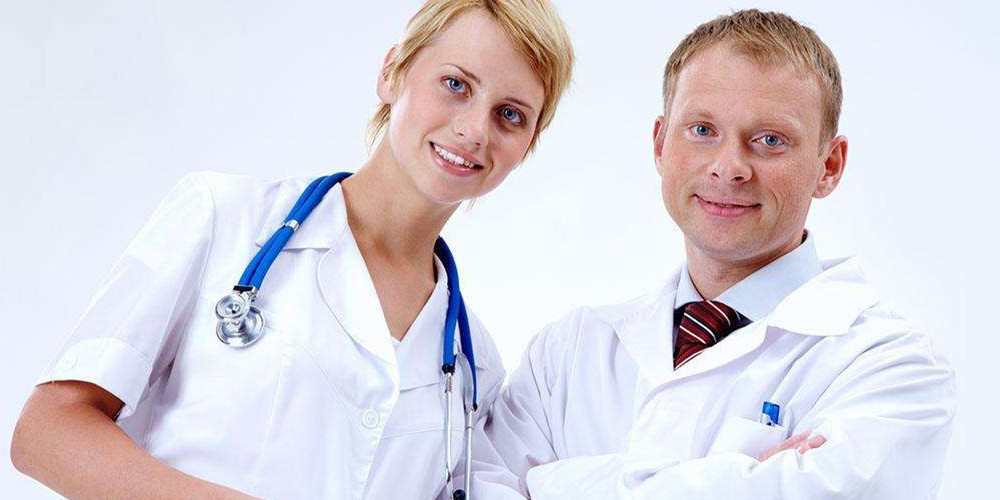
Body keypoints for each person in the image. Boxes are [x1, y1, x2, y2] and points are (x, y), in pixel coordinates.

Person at [10, 1, 573, 499]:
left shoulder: (475, 365)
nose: (475, 130)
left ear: (527, 145)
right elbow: (47, 432)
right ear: (392, 72)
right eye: (455, 84)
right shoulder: (226, 219)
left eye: (510, 115)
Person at [485, 9, 956, 499]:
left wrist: (551, 485)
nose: (729, 167)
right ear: (660, 144)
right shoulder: (567, 353)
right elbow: (479, 487)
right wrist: (738, 480)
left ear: (829, 166)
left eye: (769, 140)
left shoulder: (892, 368)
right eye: (702, 130)